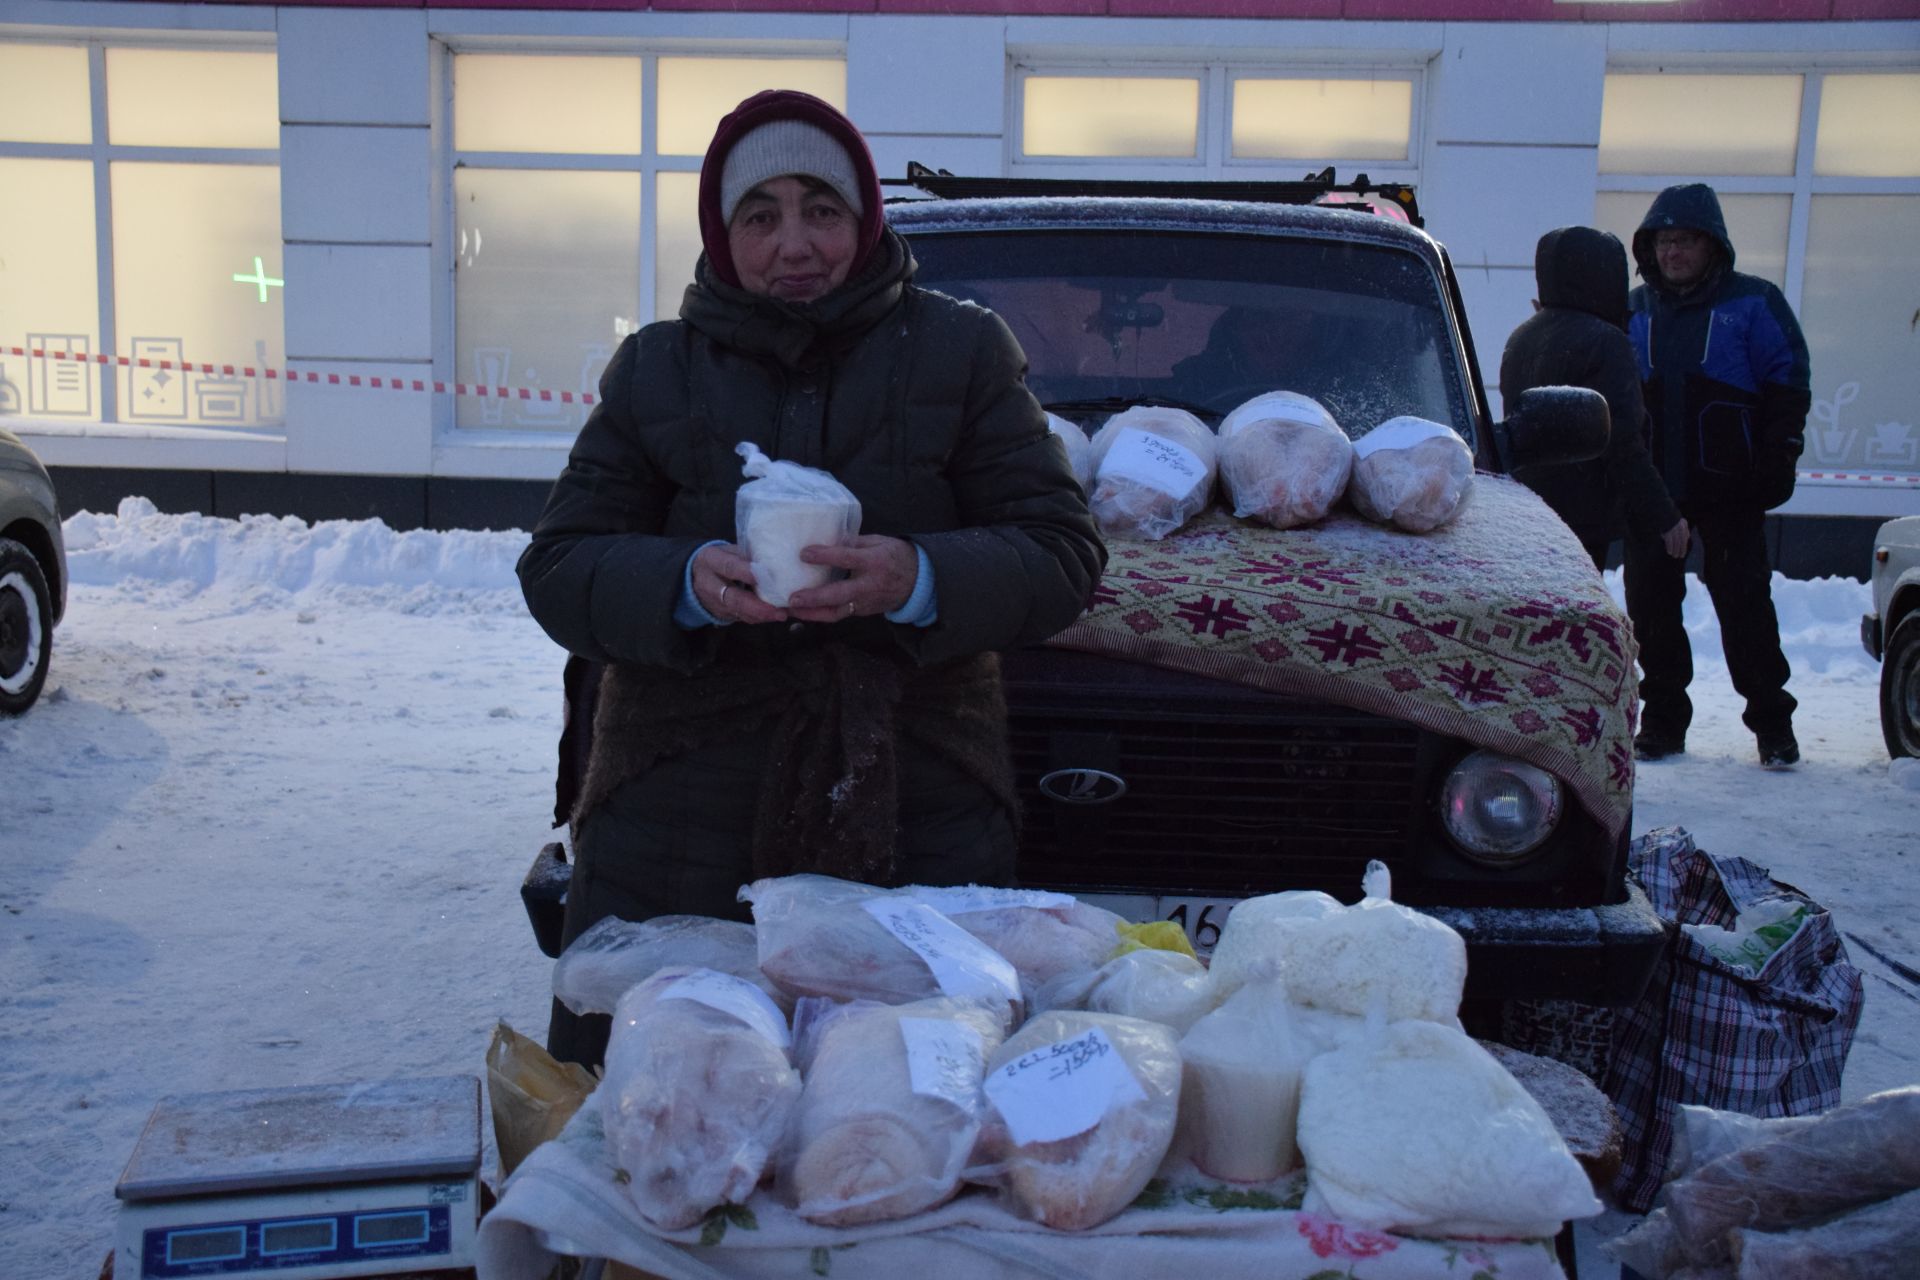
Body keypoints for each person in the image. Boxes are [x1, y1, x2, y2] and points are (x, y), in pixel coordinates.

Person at [516, 90, 1106, 1068]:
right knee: (667, 1096)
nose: (794, 242)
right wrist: (685, 580)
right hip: (679, 805)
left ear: (864, 219)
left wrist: (919, 575)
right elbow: (560, 564)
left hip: (916, 793)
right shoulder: (658, 369)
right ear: (723, 230)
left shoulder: (960, 352)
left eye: (820, 209)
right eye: (761, 215)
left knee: (899, 1098)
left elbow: (1061, 552)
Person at [1622, 183, 1810, 769]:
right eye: (1663, 241)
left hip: (1731, 489)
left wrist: (1780, 454)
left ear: (1712, 245)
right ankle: (1663, 724)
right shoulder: (1633, 309)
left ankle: (1773, 727)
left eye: (1685, 240)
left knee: (1746, 608)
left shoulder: (1754, 303)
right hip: (1655, 493)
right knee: (1651, 611)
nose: (1673, 253)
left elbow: (1788, 380)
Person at [1499, 225, 1689, 571]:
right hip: (1582, 521)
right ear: (1605, 276)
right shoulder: (1606, 341)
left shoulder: (1523, 336)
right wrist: (1664, 516)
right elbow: (1622, 441)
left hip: (1527, 513)